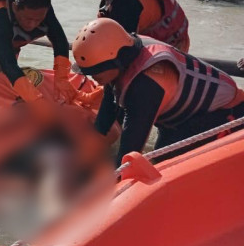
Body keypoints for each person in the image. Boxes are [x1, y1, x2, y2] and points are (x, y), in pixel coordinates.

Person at [72, 17, 244, 166]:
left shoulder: (145, 85)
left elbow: (129, 152)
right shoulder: (124, 49)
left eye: (96, 71)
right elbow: (105, 118)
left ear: (117, 61)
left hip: (226, 115)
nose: (93, 77)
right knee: (161, 154)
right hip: (184, 117)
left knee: (164, 161)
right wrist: (90, 146)